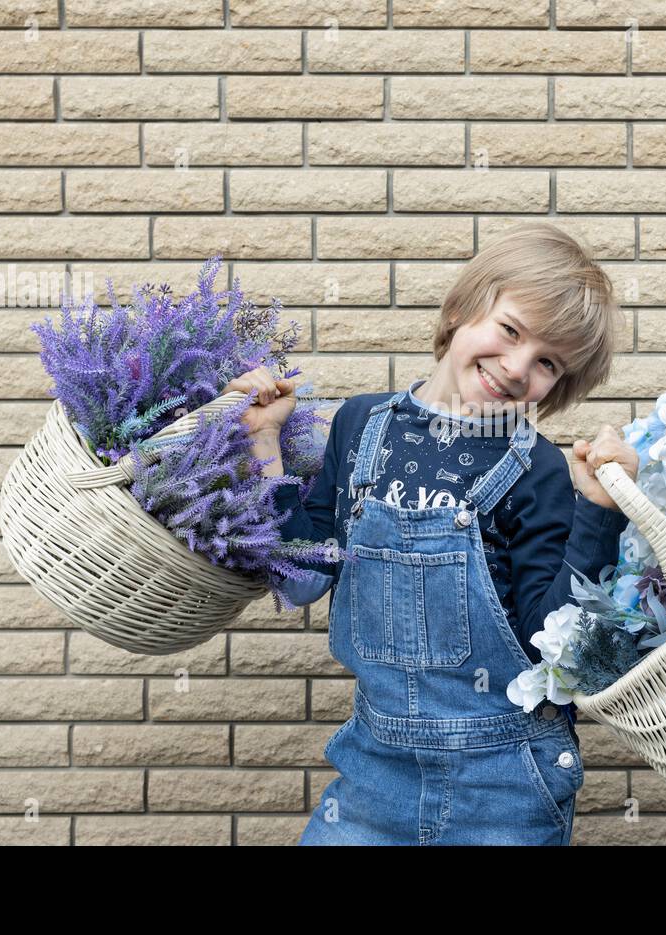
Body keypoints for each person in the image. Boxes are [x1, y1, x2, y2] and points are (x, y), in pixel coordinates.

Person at [228, 222, 639, 845]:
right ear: (460, 312)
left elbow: (558, 649)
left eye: (548, 362)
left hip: (505, 785)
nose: (516, 366)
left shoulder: (541, 471)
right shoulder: (360, 425)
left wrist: (600, 512)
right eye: (510, 330)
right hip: (374, 771)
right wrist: (264, 443)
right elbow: (304, 575)